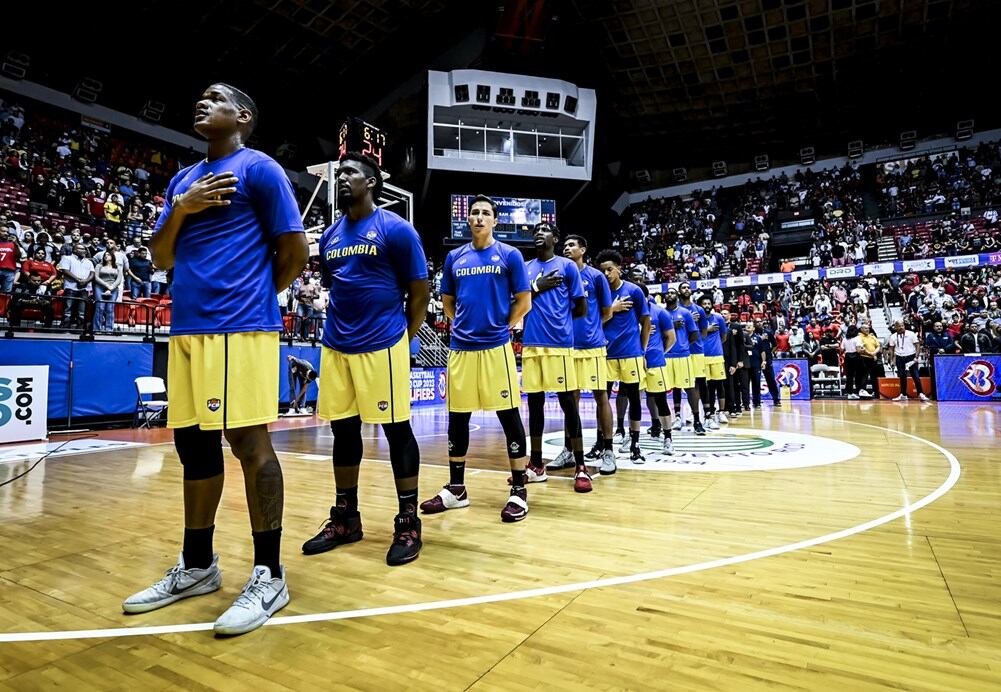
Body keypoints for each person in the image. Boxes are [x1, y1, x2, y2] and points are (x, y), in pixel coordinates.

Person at [123, 83, 309, 636]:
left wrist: (252, 300)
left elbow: (295, 252)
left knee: (249, 443)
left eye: (215, 98)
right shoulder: (182, 181)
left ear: (243, 115)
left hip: (240, 327)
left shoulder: (261, 169)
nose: (201, 103)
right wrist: (181, 209)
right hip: (187, 328)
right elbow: (160, 257)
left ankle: (270, 574)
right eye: (200, 98)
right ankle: (198, 565)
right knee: (193, 446)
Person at [303, 152, 429, 565]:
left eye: (350, 173)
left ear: (371, 181)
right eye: (339, 173)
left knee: (397, 431)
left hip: (382, 344)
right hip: (336, 345)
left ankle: (408, 522)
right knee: (343, 432)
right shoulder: (329, 236)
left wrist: (402, 339)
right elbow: (335, 287)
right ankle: (346, 518)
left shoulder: (396, 229)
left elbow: (419, 293)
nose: (341, 178)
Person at [419, 195, 532, 522]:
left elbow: (524, 301)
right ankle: (457, 489)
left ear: (495, 221)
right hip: (461, 349)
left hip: (496, 348)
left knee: (509, 416)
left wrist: (502, 326)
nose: (479, 217)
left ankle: (519, 490)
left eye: (485, 213)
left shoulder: (510, 255)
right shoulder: (455, 257)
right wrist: (462, 325)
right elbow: (448, 302)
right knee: (458, 418)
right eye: (474, 213)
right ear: (467, 220)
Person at [516, 223, 591, 492]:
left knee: (568, 404)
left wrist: (560, 322)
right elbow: (516, 300)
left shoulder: (567, 266)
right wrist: (537, 286)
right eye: (536, 230)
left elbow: (581, 307)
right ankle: (536, 464)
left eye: (545, 229)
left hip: (559, 344)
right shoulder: (524, 267)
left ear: (555, 238)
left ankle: (580, 465)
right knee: (535, 405)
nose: (539, 233)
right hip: (531, 344)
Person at [556, 234, 614, 475]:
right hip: (568, 347)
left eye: (572, 245)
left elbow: (607, 312)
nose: (566, 248)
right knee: (571, 401)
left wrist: (592, 329)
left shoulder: (596, 276)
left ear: (583, 249)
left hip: (593, 346)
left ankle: (608, 451)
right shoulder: (561, 276)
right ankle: (569, 450)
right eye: (564, 245)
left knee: (601, 396)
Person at [594, 249, 651, 462]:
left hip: (630, 353)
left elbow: (646, 322)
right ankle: (600, 442)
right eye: (602, 271)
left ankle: (635, 443)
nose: (606, 274)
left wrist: (641, 350)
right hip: (605, 353)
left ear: (619, 268)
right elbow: (593, 323)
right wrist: (612, 309)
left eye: (610, 269)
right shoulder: (598, 292)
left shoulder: (634, 291)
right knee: (602, 399)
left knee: (634, 398)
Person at [640, 284, 677, 455]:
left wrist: (660, 352)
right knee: (633, 400)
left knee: (660, 400)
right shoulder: (629, 312)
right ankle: (631, 437)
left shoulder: (660, 312)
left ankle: (668, 438)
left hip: (655, 362)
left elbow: (671, 338)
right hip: (634, 360)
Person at [663, 287, 703, 432]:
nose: (670, 294)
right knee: (665, 389)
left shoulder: (685, 313)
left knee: (690, 388)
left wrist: (683, 344)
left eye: (672, 292)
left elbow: (694, 334)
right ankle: (674, 418)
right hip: (665, 356)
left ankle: (697, 421)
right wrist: (671, 326)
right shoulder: (661, 313)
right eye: (667, 292)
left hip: (682, 356)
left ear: (677, 295)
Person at [673, 284, 708, 432]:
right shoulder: (675, 309)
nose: (686, 289)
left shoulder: (699, 309)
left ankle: (702, 416)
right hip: (680, 351)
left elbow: (704, 330)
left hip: (696, 350)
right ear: (679, 292)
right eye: (683, 288)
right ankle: (677, 416)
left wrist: (698, 341)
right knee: (676, 384)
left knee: (697, 384)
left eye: (688, 287)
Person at [699, 296, 729, 426]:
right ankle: (709, 412)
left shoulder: (718, 318)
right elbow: (694, 335)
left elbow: (724, 336)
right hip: (702, 356)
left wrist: (715, 346)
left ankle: (721, 412)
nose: (707, 305)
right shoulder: (697, 319)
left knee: (719, 384)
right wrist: (707, 330)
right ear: (700, 306)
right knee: (706, 386)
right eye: (704, 303)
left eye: (708, 303)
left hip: (716, 355)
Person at [888, 320, 930, 402]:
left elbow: (917, 345)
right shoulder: (893, 336)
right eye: (899, 326)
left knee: (915, 375)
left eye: (902, 325)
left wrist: (916, 357)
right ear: (895, 327)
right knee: (902, 376)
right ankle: (903, 394)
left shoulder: (911, 334)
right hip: (899, 357)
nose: (901, 327)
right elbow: (891, 349)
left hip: (911, 356)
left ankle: (921, 393)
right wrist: (892, 360)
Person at [57, 243, 94, 330]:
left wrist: (85, 281)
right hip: (71, 287)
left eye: (84, 249)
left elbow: (92, 273)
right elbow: (65, 271)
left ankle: (79, 328)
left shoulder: (88, 262)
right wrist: (78, 280)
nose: (83, 251)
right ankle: (65, 327)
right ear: (74, 250)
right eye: (81, 249)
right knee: (68, 309)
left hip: (84, 288)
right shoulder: (67, 258)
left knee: (82, 311)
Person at [92, 250, 123, 332]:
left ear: (112, 257)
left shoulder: (118, 266)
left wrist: (110, 288)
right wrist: (107, 285)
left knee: (110, 308)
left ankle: (109, 329)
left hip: (113, 288)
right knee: (100, 307)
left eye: (108, 254)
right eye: (105, 255)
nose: (106, 256)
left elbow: (118, 280)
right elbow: (96, 278)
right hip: (100, 287)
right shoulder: (99, 265)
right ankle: (96, 329)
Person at [723, 311, 746, 416]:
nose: (723, 315)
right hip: (724, 356)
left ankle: (737, 406)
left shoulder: (736, 326)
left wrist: (740, 360)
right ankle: (726, 406)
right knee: (725, 383)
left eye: (725, 314)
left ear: (729, 315)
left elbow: (741, 344)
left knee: (735, 384)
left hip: (734, 357)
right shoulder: (719, 326)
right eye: (722, 313)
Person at [856, 323, 881, 399]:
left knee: (874, 376)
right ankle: (862, 391)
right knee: (864, 375)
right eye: (865, 328)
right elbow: (861, 349)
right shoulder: (859, 337)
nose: (867, 330)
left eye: (868, 328)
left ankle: (876, 392)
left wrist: (874, 353)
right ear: (861, 329)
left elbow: (878, 346)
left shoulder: (872, 336)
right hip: (864, 358)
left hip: (873, 358)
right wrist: (871, 354)